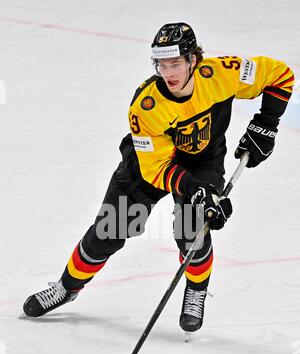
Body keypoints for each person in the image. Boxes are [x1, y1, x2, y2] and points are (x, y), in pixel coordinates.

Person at [23, 23, 294, 332]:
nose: (168, 73)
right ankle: (66, 287)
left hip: (203, 163)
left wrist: (267, 124)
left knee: (193, 231)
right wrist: (197, 190)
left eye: (175, 63)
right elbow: (155, 168)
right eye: (161, 65)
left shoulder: (222, 74)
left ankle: (196, 288)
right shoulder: (147, 105)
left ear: (193, 60)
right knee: (110, 229)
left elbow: (279, 75)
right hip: (146, 168)